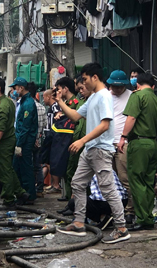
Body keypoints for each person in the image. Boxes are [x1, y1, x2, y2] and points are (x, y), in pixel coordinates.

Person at [56, 63, 131, 244]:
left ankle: (121, 227)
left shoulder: (104, 96)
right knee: (78, 183)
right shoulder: (93, 98)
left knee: (108, 188)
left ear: (94, 77)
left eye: (85, 79)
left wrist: (82, 140)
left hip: (100, 149)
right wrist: (59, 101)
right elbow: (75, 116)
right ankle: (79, 222)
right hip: (90, 149)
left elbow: (105, 124)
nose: (83, 84)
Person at [118, 72, 157, 231]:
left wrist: (123, 137)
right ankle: (148, 217)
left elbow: (131, 118)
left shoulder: (137, 96)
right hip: (152, 143)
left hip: (138, 143)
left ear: (137, 84)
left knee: (136, 181)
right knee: (148, 182)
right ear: (152, 85)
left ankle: (144, 219)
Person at [0, 77, 29, 206]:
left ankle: (8, 199)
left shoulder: (3, 105)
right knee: (9, 169)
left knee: (4, 171)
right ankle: (21, 192)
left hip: (4, 142)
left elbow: (1, 128)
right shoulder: (6, 101)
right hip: (7, 140)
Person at [61, 170, 129, 229]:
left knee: (73, 202)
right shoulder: (108, 167)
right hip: (123, 200)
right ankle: (109, 217)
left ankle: (101, 218)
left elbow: (80, 191)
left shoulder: (89, 170)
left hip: (106, 202)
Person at [107, 70, 133, 210]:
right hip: (107, 142)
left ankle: (129, 208)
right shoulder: (105, 96)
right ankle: (113, 208)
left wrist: (124, 137)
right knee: (109, 178)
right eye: (113, 86)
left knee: (124, 177)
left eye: (119, 86)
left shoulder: (131, 96)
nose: (116, 89)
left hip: (124, 142)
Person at [49, 77, 78, 199]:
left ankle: (72, 198)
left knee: (71, 170)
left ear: (66, 89)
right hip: (63, 140)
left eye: (59, 89)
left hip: (72, 140)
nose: (58, 92)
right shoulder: (65, 103)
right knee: (65, 169)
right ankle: (67, 196)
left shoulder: (75, 103)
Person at [63, 77, 90, 201]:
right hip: (78, 141)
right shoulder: (82, 102)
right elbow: (75, 116)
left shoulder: (99, 100)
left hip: (89, 144)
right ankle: (72, 203)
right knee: (73, 174)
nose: (80, 91)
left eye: (82, 88)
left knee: (104, 183)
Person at [12, 77, 37, 201]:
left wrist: (20, 144)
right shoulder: (23, 101)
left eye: (15, 88)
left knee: (26, 169)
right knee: (17, 168)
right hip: (22, 140)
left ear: (21, 88)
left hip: (25, 142)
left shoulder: (28, 104)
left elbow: (25, 127)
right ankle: (22, 193)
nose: (14, 91)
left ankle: (29, 195)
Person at [29, 83, 48, 197]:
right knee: (38, 165)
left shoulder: (27, 106)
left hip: (30, 140)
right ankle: (40, 188)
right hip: (39, 140)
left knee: (29, 165)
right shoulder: (41, 107)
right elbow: (45, 124)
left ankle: (31, 188)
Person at [41, 89, 55, 192]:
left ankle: (55, 184)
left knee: (50, 161)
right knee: (47, 161)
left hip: (52, 136)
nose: (43, 99)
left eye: (44, 97)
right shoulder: (50, 108)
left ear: (49, 97)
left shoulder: (55, 108)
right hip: (48, 136)